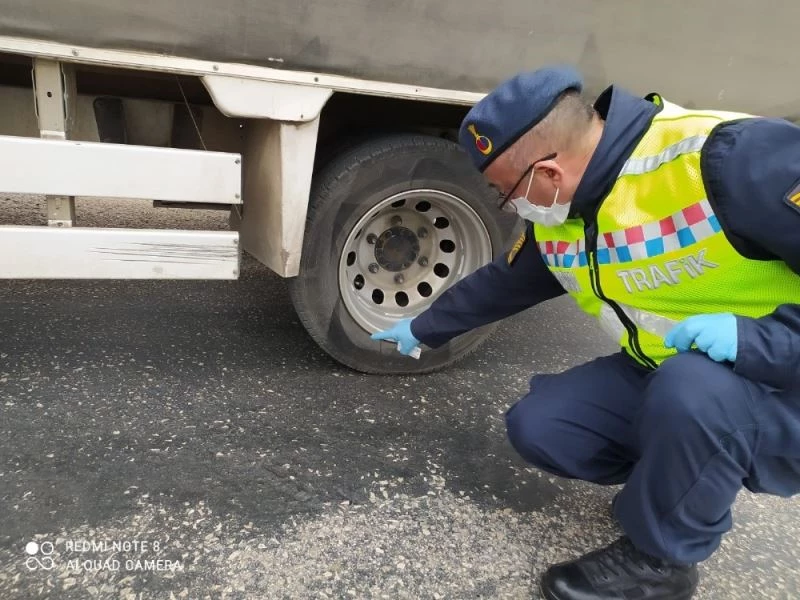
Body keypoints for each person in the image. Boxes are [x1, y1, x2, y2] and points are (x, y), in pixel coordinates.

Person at [371, 65, 800, 600]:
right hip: (670, 373)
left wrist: (761, 342)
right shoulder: (566, 215)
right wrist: (423, 326)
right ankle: (674, 482)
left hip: (780, 385)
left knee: (693, 390)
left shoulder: (731, 160)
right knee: (545, 424)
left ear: (546, 174)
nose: (515, 208)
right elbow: (507, 281)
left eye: (508, 194)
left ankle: (661, 564)